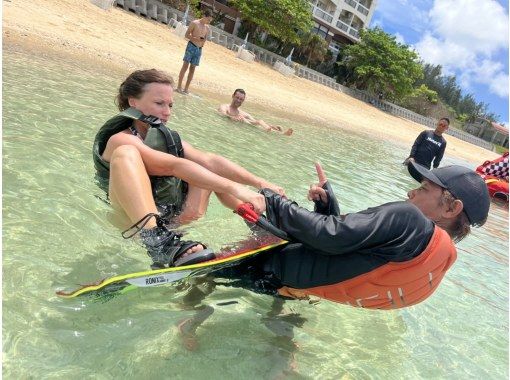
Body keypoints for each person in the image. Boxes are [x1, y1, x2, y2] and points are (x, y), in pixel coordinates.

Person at [220, 160, 490, 309]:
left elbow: (330, 237)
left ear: (452, 208)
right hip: (295, 292)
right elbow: (350, 254)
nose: (411, 193)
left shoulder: (410, 219)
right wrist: (326, 205)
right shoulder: (435, 260)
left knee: (221, 189)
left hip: (262, 269)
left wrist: (271, 201)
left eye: (424, 188)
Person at [93, 69, 284, 268]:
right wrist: (237, 188)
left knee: (204, 166)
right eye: (159, 104)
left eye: (170, 105)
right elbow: (174, 166)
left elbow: (210, 161)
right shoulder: (120, 139)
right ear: (133, 102)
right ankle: (159, 244)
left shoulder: (166, 139)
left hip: (174, 219)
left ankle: (257, 222)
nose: (167, 112)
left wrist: (260, 183)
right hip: (134, 224)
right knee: (127, 153)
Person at [218, 89, 293, 136]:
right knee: (246, 120)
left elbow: (255, 122)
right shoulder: (225, 107)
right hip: (230, 131)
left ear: (243, 100)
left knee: (259, 121)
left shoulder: (243, 113)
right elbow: (222, 114)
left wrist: (270, 125)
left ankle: (274, 130)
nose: (238, 100)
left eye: (241, 99)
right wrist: (232, 117)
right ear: (233, 96)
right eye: (237, 98)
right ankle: (279, 134)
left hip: (242, 128)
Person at [176, 9, 213, 95]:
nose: (209, 21)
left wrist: (202, 42)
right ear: (204, 16)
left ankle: (186, 89)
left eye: (210, 20)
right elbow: (186, 35)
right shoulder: (195, 23)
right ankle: (178, 87)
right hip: (191, 46)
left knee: (192, 69)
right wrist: (196, 39)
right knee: (185, 66)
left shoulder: (207, 28)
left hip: (199, 49)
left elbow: (205, 38)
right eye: (208, 19)